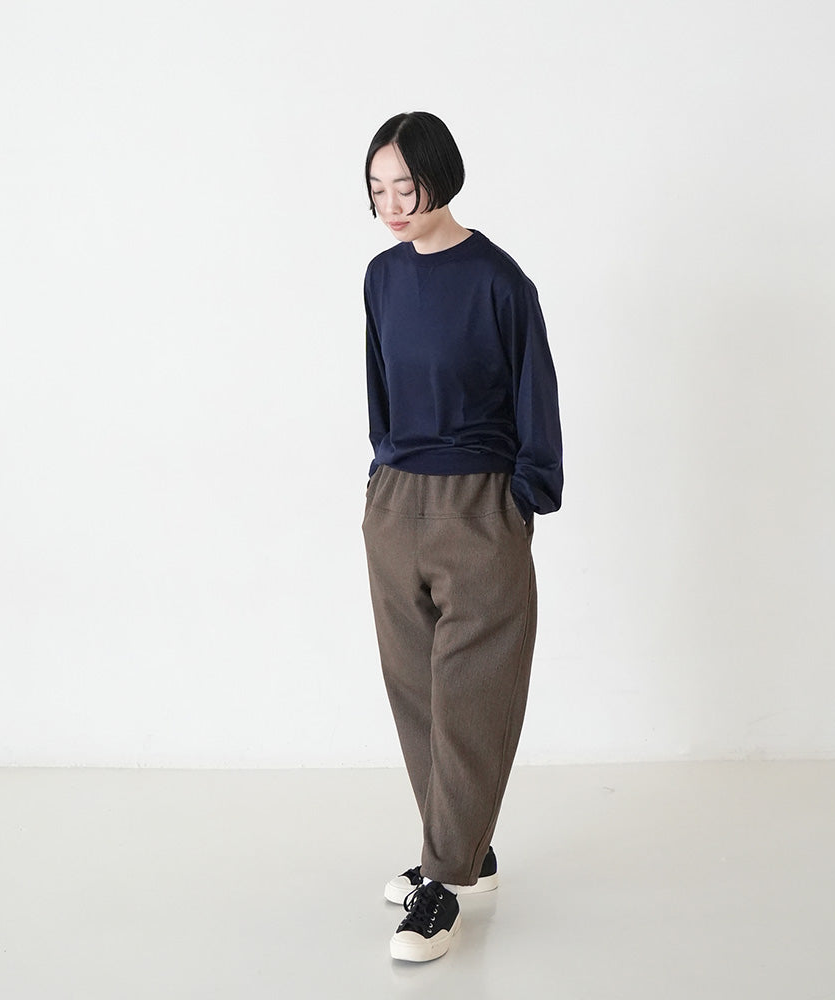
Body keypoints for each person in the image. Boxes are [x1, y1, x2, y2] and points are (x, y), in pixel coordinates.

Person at [361, 111, 562, 963]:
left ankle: (441, 885)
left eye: (405, 188)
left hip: (480, 502)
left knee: (472, 698)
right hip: (396, 499)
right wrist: (380, 481)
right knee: (417, 692)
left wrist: (525, 498)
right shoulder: (380, 276)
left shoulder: (498, 280)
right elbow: (379, 388)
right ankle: (463, 850)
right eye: (377, 190)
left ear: (441, 178)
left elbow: (535, 391)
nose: (392, 206)